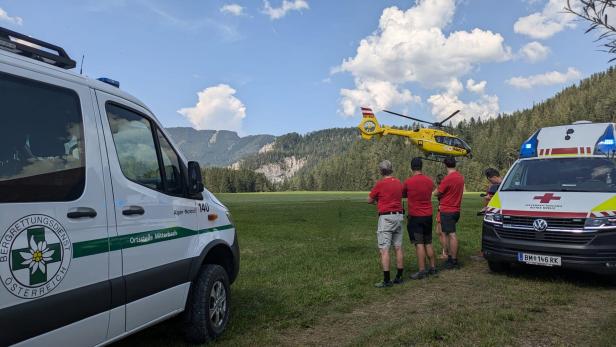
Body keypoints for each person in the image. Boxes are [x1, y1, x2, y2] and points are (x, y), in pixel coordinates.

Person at [369, 160, 405, 288]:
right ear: (391, 169)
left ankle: (386, 280)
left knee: (384, 250)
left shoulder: (380, 184)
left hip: (386, 218)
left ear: (381, 171)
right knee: (398, 247)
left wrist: (378, 202)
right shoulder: (399, 183)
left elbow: (369, 199)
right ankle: (399, 277)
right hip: (399, 216)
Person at [402, 157, 437, 279]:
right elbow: (432, 190)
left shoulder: (408, 182)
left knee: (419, 244)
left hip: (415, 216)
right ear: (421, 167)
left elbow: (402, 193)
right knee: (428, 242)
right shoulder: (429, 181)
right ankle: (433, 267)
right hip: (428, 215)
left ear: (411, 168)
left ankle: (422, 270)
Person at [435, 157, 465, 269]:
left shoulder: (448, 178)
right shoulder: (460, 177)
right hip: (456, 209)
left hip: (448, 210)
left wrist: (435, 192)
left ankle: (453, 259)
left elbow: (438, 192)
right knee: (448, 233)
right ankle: (450, 257)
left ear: (445, 165)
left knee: (451, 234)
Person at [433, 174, 448, 260]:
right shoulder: (446, 187)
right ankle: (446, 251)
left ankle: (445, 253)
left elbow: (435, 193)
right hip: (441, 210)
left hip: (442, 210)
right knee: (439, 231)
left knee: (442, 233)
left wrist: (440, 185)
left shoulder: (442, 188)